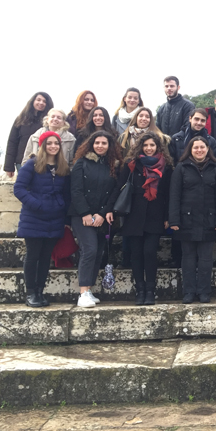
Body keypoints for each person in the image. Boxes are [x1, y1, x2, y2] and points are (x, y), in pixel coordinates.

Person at [14, 130, 70, 307]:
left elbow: (66, 192)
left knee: (46, 257)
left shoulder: (62, 167)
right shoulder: (32, 164)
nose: (53, 146)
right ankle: (31, 292)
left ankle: (40, 291)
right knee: (33, 255)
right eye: (49, 143)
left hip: (55, 218)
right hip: (34, 217)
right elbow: (19, 188)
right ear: (43, 146)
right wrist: (36, 204)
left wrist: (63, 209)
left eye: (56, 143)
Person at [117, 133, 172, 305]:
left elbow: (169, 194)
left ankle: (150, 290)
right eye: (146, 145)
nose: (149, 148)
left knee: (149, 252)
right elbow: (120, 187)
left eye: (152, 145)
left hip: (155, 214)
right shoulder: (132, 164)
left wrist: (168, 216)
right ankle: (140, 290)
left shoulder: (166, 166)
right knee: (136, 254)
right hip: (134, 214)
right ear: (140, 146)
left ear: (158, 147)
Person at [169, 135, 216, 303]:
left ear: (208, 149)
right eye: (196, 147)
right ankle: (188, 291)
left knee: (206, 259)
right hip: (186, 220)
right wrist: (174, 220)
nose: (199, 150)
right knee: (187, 258)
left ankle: (204, 291)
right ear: (190, 150)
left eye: (202, 147)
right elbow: (174, 195)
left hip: (209, 220)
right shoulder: (181, 168)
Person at [69, 131, 121, 308]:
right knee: (89, 249)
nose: (100, 146)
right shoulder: (81, 163)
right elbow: (76, 190)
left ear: (109, 146)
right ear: (91, 144)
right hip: (81, 215)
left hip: (101, 215)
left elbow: (114, 192)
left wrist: (102, 213)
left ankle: (89, 289)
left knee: (98, 252)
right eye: (97, 142)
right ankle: (83, 292)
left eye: (104, 143)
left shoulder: (113, 165)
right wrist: (85, 214)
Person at [5, 92, 54, 177]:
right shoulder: (20, 119)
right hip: (22, 161)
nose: (41, 103)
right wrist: (9, 167)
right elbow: (12, 142)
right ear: (33, 101)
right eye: (38, 100)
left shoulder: (50, 122)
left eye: (44, 101)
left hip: (44, 161)